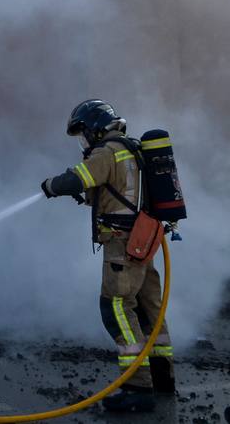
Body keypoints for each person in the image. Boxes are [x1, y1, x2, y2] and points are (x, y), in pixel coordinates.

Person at [40, 100, 175, 414]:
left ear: (95, 128)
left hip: (121, 244)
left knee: (116, 307)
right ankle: (162, 379)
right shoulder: (133, 149)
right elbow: (120, 192)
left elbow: (77, 178)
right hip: (143, 240)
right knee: (149, 309)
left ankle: (137, 387)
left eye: (83, 134)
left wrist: (50, 186)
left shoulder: (107, 152)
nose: (83, 141)